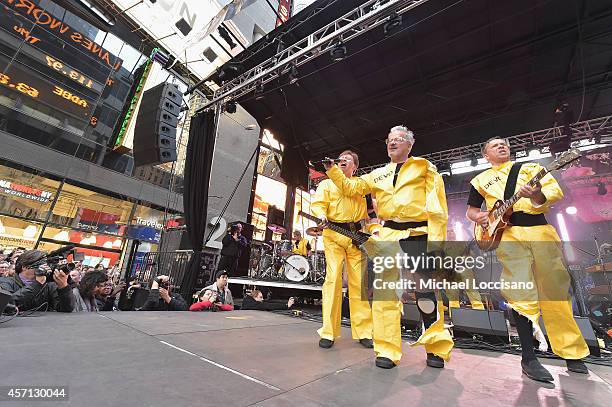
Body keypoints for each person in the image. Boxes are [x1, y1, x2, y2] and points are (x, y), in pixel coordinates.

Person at [324, 126, 452, 369]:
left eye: (399, 139)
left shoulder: (425, 167)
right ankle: (386, 350)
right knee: (385, 291)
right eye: (390, 140)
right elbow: (353, 188)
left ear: (409, 145)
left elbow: (438, 208)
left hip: (419, 233)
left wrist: (437, 243)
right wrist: (333, 170)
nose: (393, 143)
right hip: (389, 234)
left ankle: (435, 347)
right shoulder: (378, 174)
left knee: (425, 292)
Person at [466, 137, 589, 382]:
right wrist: (479, 217)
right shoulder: (479, 180)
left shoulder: (531, 169)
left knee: (555, 292)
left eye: (505, 144)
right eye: (495, 145)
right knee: (519, 293)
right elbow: (471, 211)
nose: (502, 146)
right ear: (485, 154)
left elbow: (550, 197)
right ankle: (528, 358)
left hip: (540, 231)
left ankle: (572, 353)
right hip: (509, 235)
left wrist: (536, 194)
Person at [311, 150, 374, 351]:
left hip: (356, 237)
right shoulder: (325, 184)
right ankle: (328, 332)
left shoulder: (359, 185)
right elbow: (319, 204)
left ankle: (364, 331)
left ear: (355, 167)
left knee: (359, 284)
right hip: (333, 235)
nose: (344, 161)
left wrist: (369, 233)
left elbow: (367, 215)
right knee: (333, 280)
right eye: (342, 159)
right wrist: (321, 215)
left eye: (349, 160)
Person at [0, 250, 74, 312]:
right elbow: (5, 304)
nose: (45, 268)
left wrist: (63, 287)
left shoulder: (48, 285)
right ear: (24, 267)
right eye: (41, 265)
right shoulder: (6, 282)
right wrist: (37, 284)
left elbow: (66, 309)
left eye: (46, 265)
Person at [444, 229, 484, 315]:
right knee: (453, 296)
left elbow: (471, 256)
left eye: (452, 231)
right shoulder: (443, 246)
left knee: (472, 292)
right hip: (450, 273)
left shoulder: (463, 243)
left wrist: (464, 258)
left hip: (465, 270)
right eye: (448, 232)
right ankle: (455, 317)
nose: (450, 233)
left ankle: (481, 313)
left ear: (455, 233)